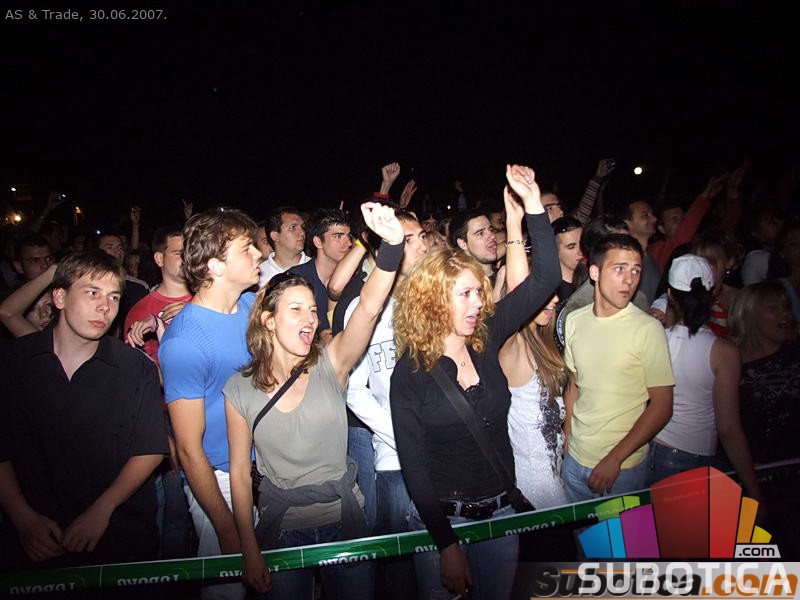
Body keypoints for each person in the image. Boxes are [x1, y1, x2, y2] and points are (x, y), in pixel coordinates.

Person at [390, 165, 560, 599]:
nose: (477, 303)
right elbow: (414, 467)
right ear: (432, 301)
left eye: (479, 292)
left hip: (502, 515)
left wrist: (533, 204)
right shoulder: (410, 372)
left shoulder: (487, 335)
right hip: (443, 521)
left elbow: (545, 279)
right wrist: (446, 544)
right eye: (464, 294)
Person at [224, 202, 405, 599]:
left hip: (345, 522)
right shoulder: (239, 388)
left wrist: (392, 246)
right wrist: (248, 548)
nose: (309, 318)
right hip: (281, 531)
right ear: (268, 320)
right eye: (296, 309)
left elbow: (369, 308)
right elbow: (239, 473)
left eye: (312, 309)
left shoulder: (332, 363)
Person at [0, 250, 168, 569]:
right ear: (60, 297)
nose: (105, 307)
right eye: (92, 293)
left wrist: (103, 509)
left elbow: (150, 449)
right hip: (34, 542)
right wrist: (23, 518)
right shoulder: (14, 363)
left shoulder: (135, 368)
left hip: (119, 538)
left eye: (114, 297)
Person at [158, 208, 262, 600]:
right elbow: (188, 449)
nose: (259, 254)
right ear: (216, 266)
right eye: (247, 248)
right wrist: (226, 527)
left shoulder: (250, 307)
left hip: (266, 474)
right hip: (220, 482)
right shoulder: (185, 341)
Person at [343, 210, 428, 599]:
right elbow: (353, 388)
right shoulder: (363, 309)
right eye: (408, 240)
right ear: (384, 250)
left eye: (422, 236)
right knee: (398, 564)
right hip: (393, 457)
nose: (421, 245)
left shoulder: (441, 299)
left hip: (445, 455)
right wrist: (399, 434)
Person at [561, 234, 674, 502]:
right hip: (574, 460)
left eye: (635, 270)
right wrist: (567, 439)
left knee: (621, 532)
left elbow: (662, 407)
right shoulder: (574, 320)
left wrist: (615, 458)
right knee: (581, 531)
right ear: (595, 272)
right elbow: (574, 386)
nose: (629, 280)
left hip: (621, 470)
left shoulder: (647, 329)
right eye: (619, 269)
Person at [646, 255, 761, 504]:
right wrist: (754, 490)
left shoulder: (654, 340)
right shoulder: (723, 352)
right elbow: (728, 428)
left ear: (670, 294)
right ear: (713, 293)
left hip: (655, 450)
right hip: (692, 458)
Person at [124, 225, 193, 362]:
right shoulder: (141, 312)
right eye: (179, 253)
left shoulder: (210, 298)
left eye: (190, 252)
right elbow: (140, 368)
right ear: (159, 259)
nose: (187, 258)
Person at [292, 208, 353, 339]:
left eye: (349, 236)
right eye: (338, 236)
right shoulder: (295, 280)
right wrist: (316, 341)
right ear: (318, 242)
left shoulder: (357, 277)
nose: (348, 243)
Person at [257, 208, 309, 288]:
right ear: (275, 236)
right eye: (293, 227)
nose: (302, 233)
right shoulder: (258, 275)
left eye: (303, 227)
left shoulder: (317, 269)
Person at [551, 216, 583, 303]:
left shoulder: (594, 279)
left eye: (582, 243)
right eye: (571, 247)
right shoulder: (549, 290)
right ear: (555, 251)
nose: (580, 251)